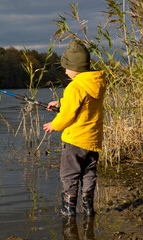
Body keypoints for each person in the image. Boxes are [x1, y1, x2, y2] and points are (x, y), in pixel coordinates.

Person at [43, 39, 106, 217]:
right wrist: (60, 102)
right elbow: (83, 104)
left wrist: (54, 125)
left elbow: (68, 115)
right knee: (88, 173)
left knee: (69, 175)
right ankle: (88, 208)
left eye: (66, 68)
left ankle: (68, 210)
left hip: (74, 141)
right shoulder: (96, 83)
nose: (65, 71)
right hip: (92, 140)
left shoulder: (74, 86)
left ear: (74, 68)